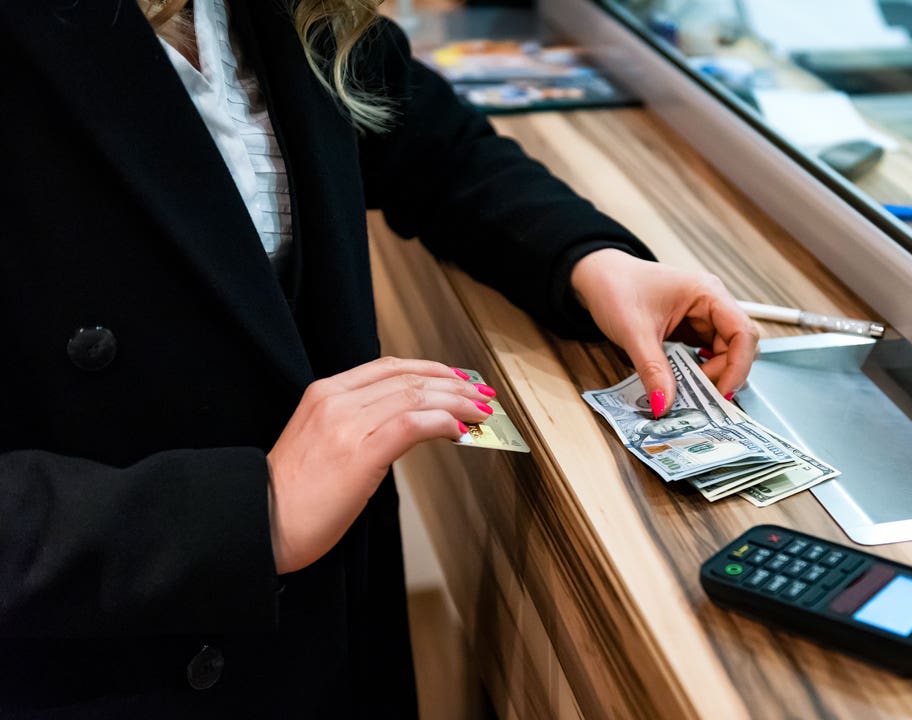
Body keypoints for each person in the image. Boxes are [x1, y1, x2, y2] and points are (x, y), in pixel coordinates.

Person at [0, 1, 757, 717]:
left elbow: (427, 139)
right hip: (104, 657)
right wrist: (245, 513)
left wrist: (587, 260)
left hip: (325, 625)